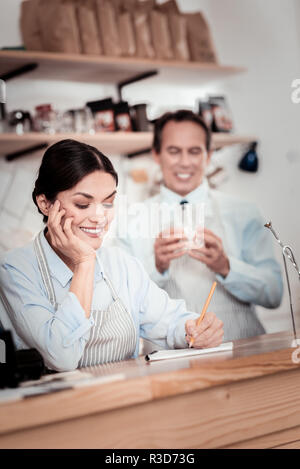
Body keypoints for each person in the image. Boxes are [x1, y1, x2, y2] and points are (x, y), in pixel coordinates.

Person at [0, 139, 224, 372]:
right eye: (83, 204)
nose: (99, 217)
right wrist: (84, 263)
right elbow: (60, 357)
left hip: (125, 400)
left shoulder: (121, 264)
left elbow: (170, 322)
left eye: (108, 203)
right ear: (45, 204)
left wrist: (195, 329)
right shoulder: (14, 269)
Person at [116, 110, 283, 342]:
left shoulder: (244, 213)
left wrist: (226, 266)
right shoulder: (131, 220)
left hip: (244, 351)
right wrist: (156, 266)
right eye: (174, 151)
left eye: (194, 151)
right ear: (156, 154)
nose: (185, 162)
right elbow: (121, 304)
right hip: (168, 364)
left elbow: (274, 295)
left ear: (208, 155)